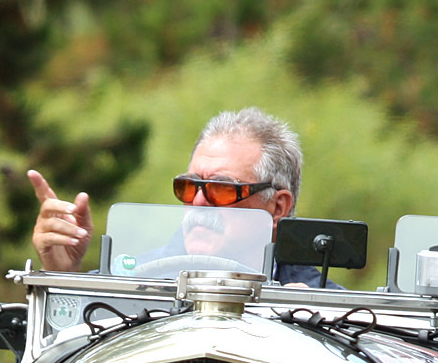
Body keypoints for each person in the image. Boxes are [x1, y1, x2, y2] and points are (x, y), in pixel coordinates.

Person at [28, 107, 335, 286]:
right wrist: (61, 278)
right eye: (189, 187)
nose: (199, 203)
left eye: (222, 188)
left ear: (277, 207)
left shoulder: (331, 311)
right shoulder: (129, 284)